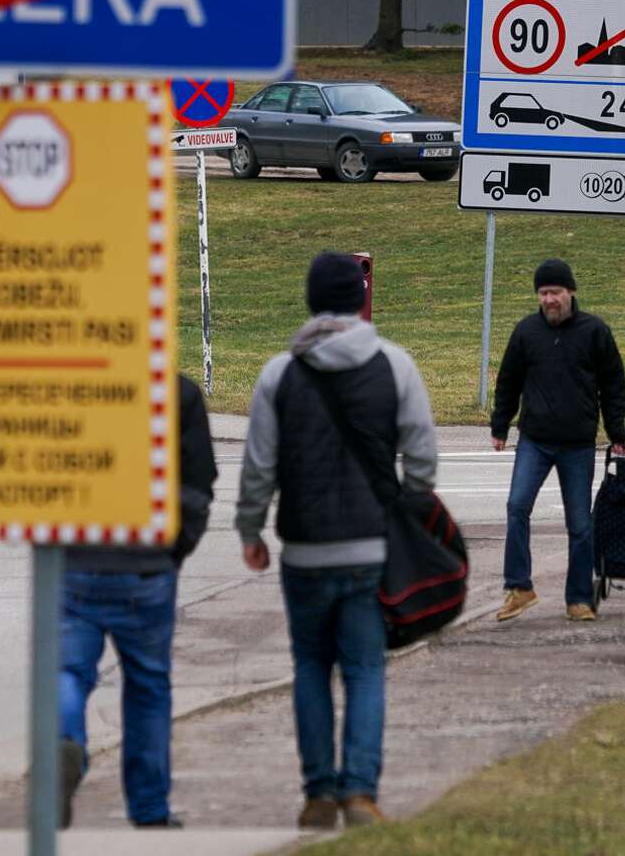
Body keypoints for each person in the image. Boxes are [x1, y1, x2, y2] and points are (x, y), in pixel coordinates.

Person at [237, 251, 439, 830]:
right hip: (372, 547)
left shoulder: (280, 373)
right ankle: (360, 793)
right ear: (359, 298)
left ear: (310, 301)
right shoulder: (394, 365)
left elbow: (257, 467)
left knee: (309, 666)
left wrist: (251, 530)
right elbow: (422, 452)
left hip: (303, 548)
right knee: (365, 670)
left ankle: (318, 790)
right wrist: (410, 506)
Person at [57, 373, 217, 829]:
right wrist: (175, 548)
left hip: (73, 558)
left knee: (67, 671)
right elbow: (197, 483)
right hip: (146, 563)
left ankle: (64, 740)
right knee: (148, 686)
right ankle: (149, 810)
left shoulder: (67, 385)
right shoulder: (175, 391)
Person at [490, 258, 625, 624]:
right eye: (543, 293)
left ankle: (579, 599)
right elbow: (509, 381)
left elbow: (613, 384)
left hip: (577, 444)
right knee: (517, 506)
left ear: (570, 292)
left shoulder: (594, 332)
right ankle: (519, 587)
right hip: (534, 440)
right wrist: (500, 426)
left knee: (580, 525)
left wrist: (616, 430)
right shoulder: (526, 333)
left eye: (554, 292)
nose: (549, 299)